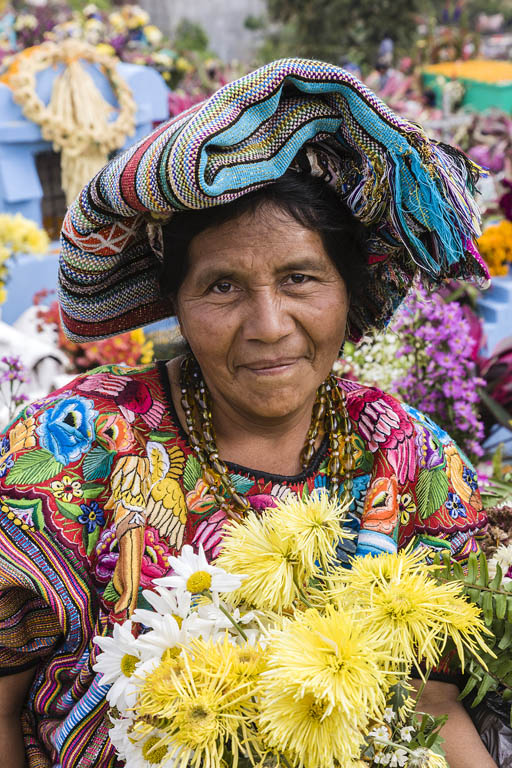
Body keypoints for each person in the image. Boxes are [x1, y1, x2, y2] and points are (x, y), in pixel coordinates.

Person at [0, 58, 497, 767]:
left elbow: (432, 707)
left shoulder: (410, 461)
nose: (268, 325)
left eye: (299, 278)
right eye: (223, 286)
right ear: (176, 303)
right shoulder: (73, 452)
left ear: (347, 293)